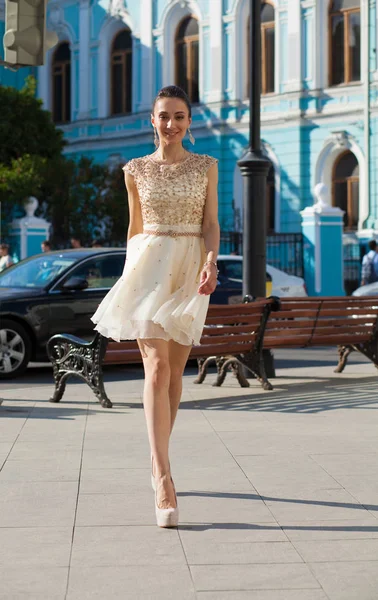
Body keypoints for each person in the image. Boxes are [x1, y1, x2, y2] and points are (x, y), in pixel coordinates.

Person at [91, 85, 219, 528]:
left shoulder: (206, 167)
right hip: (147, 268)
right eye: (164, 116)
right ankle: (163, 477)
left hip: (189, 269)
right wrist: (129, 276)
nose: (171, 124)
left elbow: (211, 224)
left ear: (189, 122)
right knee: (157, 369)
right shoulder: (135, 170)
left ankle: (154, 455)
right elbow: (134, 227)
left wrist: (210, 263)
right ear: (152, 119)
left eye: (179, 116)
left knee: (175, 378)